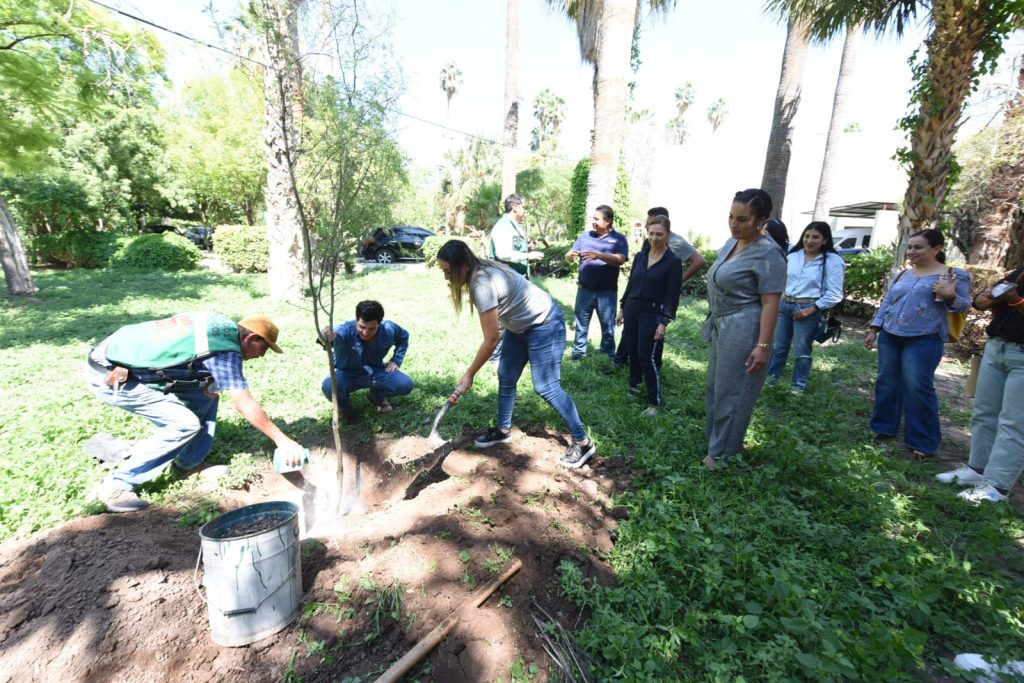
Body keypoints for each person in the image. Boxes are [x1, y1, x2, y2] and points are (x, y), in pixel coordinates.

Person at [86, 312, 306, 512]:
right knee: (184, 424)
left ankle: (188, 463)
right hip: (112, 374)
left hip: (126, 358)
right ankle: (116, 485)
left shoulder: (219, 324)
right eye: (264, 348)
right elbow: (243, 402)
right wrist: (283, 441)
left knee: (208, 391)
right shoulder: (225, 352)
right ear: (251, 339)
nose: (262, 355)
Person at [436, 240, 596, 469]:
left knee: (546, 386)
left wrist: (470, 373)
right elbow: (498, 323)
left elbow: (490, 339)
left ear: (463, 266)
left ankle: (583, 442)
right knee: (506, 375)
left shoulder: (482, 284)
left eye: (448, 272)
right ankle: (502, 430)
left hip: (544, 323)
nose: (447, 278)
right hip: (518, 327)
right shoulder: (480, 269)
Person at [864, 229, 970, 458]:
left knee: (917, 387)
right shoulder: (904, 275)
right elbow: (888, 302)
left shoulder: (953, 275)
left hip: (924, 338)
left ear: (936, 249)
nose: (911, 251)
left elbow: (964, 306)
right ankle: (883, 429)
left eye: (918, 247)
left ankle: (922, 441)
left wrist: (950, 295)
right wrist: (874, 328)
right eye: (910, 247)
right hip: (891, 335)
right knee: (886, 381)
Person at [702, 189, 786, 469]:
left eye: (743, 219)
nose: (734, 224)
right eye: (731, 217)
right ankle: (716, 442)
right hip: (721, 325)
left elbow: (771, 303)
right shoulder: (731, 243)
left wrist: (762, 346)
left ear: (761, 219)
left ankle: (723, 454)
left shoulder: (769, 253)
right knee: (716, 387)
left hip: (745, 327)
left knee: (734, 391)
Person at [935, 267, 1024, 503]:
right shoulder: (1019, 272)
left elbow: (1007, 297)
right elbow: (981, 301)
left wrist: (1014, 299)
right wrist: (992, 296)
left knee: (1014, 423)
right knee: (985, 412)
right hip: (997, 347)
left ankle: (997, 487)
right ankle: (977, 469)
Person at [613, 207, 706, 369]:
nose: (652, 234)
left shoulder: (677, 243)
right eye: (649, 229)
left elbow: (699, 260)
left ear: (665, 229)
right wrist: (623, 305)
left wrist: (677, 281)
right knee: (631, 335)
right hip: (637, 300)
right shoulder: (645, 247)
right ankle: (622, 363)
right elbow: (634, 279)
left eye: (653, 225)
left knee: (653, 340)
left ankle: (653, 371)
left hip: (658, 302)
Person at [766, 221, 845, 393]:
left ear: (825, 240)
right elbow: (781, 279)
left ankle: (798, 386)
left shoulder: (832, 261)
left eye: (816, 237)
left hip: (808, 308)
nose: (810, 241)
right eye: (807, 236)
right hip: (784, 304)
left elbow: (835, 293)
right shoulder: (793, 255)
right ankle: (771, 380)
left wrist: (812, 308)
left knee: (802, 350)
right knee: (778, 347)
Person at [616, 215, 682, 416]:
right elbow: (630, 285)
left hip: (652, 313)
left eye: (659, 234)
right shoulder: (640, 256)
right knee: (633, 352)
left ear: (668, 234)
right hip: (632, 309)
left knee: (647, 356)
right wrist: (622, 307)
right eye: (651, 233)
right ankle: (634, 387)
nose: (654, 238)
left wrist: (663, 322)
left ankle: (654, 401)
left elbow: (672, 296)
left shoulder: (673, 262)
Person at [320, 300, 413, 420]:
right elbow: (331, 337)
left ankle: (376, 396)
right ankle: (345, 409)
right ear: (356, 320)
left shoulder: (389, 329)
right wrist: (326, 336)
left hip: (375, 371)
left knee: (405, 384)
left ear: (380, 324)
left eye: (371, 329)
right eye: (362, 327)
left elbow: (403, 338)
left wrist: (396, 360)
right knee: (329, 386)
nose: (365, 332)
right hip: (346, 373)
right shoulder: (345, 330)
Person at [565, 204, 629, 360]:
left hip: (606, 292)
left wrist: (598, 255)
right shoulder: (584, 237)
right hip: (584, 289)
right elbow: (568, 257)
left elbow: (620, 259)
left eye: (596, 219)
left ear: (607, 221)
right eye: (593, 219)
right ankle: (578, 353)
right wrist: (569, 255)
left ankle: (607, 355)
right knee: (581, 324)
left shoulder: (619, 239)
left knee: (608, 327)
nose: (592, 222)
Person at [488, 193, 542, 277]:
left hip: (516, 281)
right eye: (524, 207)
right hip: (506, 282)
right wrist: (527, 256)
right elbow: (503, 254)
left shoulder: (513, 226)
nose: (525, 210)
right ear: (515, 207)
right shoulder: (503, 226)